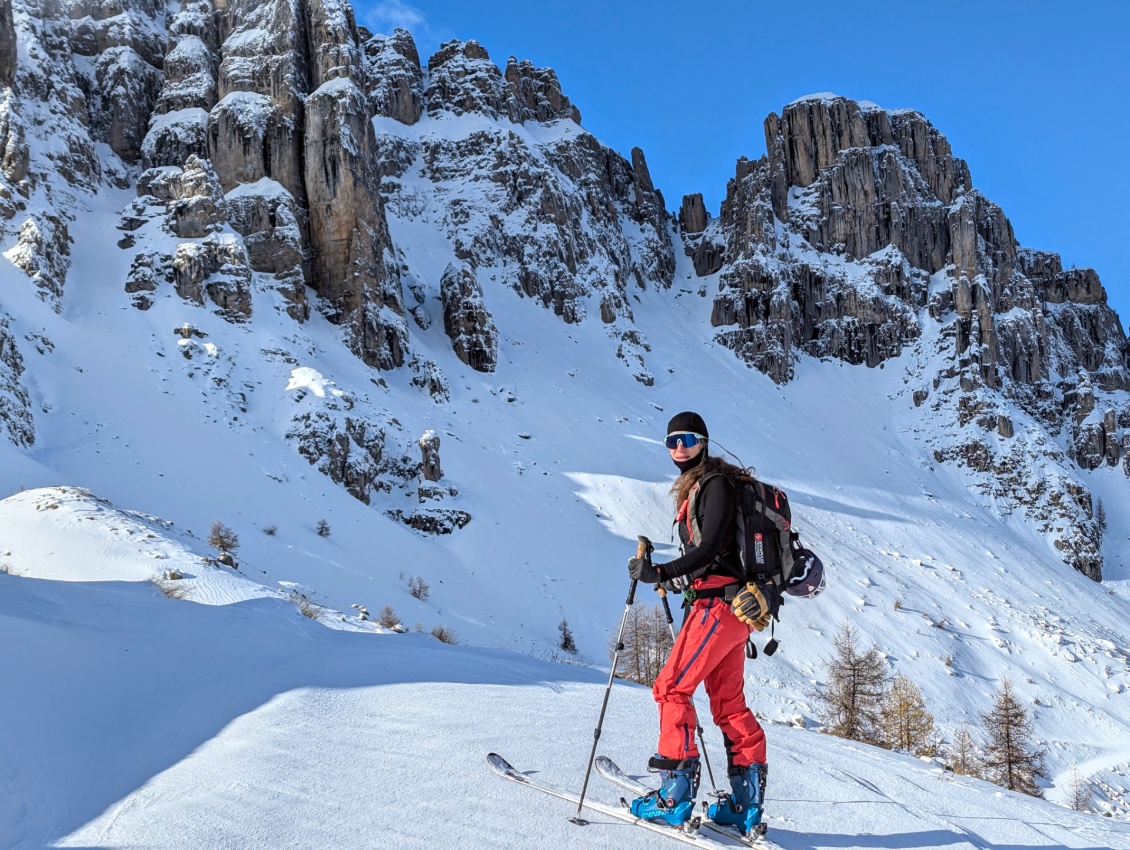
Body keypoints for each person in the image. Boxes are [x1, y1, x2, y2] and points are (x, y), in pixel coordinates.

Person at [626, 411, 779, 835]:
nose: (679, 448)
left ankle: (673, 798)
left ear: (704, 441)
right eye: (671, 441)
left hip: (719, 608)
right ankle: (744, 806)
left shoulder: (714, 484)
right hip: (734, 609)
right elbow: (718, 554)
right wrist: (680, 582)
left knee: (671, 688)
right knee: (728, 704)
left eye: (687, 439)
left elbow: (710, 549)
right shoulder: (709, 485)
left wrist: (662, 573)